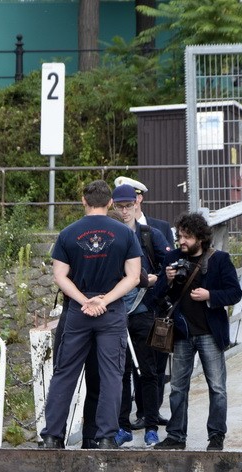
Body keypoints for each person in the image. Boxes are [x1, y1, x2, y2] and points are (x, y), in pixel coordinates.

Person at [39, 180, 142, 449]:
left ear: (84, 201)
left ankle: (52, 436)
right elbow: (133, 277)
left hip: (78, 310)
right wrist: (104, 300)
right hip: (111, 311)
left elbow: (59, 276)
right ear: (110, 203)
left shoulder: (68, 233)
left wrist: (85, 301)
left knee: (65, 372)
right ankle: (106, 436)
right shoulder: (125, 234)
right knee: (111, 375)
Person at [152, 213, 242, 451]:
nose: (182, 241)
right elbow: (156, 296)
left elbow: (235, 293)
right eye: (179, 235)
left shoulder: (219, 259)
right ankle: (175, 436)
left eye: (187, 237)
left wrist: (210, 295)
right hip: (181, 333)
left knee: (217, 387)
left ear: (200, 238)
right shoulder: (172, 257)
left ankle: (216, 436)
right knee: (178, 387)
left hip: (209, 333)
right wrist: (167, 280)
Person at [109, 183, 171, 447]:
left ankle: (150, 423)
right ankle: (122, 425)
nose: (124, 212)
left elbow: (171, 266)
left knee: (149, 369)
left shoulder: (150, 234)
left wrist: (156, 283)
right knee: (119, 371)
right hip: (116, 310)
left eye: (128, 206)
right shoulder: (110, 235)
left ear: (137, 204)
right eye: (120, 207)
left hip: (145, 309)